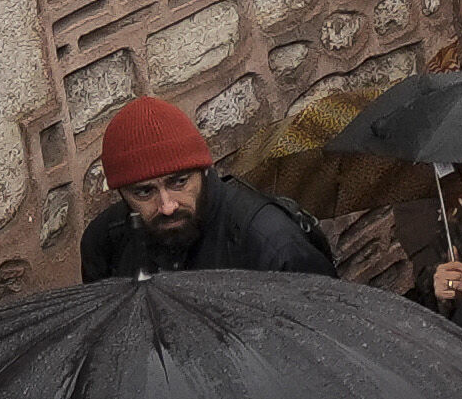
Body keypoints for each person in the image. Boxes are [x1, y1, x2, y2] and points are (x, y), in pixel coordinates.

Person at [76, 97, 338, 280]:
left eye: (179, 182)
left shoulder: (272, 243)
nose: (167, 206)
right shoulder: (106, 240)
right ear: (122, 194)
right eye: (144, 192)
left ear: (203, 171)